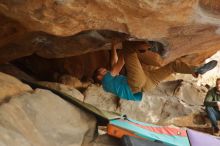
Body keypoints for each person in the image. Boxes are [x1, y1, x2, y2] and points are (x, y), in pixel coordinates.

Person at [93, 40, 218, 101]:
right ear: (99, 77)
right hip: (136, 84)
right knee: (127, 47)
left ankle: (195, 71)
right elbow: (118, 65)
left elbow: (113, 64)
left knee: (173, 66)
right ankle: (150, 46)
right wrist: (122, 52)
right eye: (102, 70)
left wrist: (114, 46)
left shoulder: (110, 82)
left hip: (147, 85)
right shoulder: (106, 81)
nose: (105, 69)